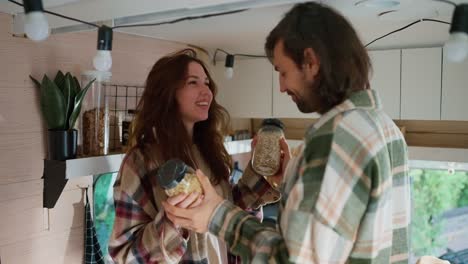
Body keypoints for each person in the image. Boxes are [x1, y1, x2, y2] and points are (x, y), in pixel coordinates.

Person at [162, 3, 411, 264]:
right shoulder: (386, 129)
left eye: (283, 72)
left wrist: (216, 215)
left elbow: (292, 259)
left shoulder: (334, 138)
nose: (281, 86)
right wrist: (292, 178)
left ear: (311, 62)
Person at [108, 49, 280, 263]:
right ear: (167, 93)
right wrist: (175, 220)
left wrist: (262, 174)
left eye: (207, 83)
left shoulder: (210, 152)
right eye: (193, 82)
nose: (207, 92)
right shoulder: (141, 161)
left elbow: (225, 213)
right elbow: (126, 256)